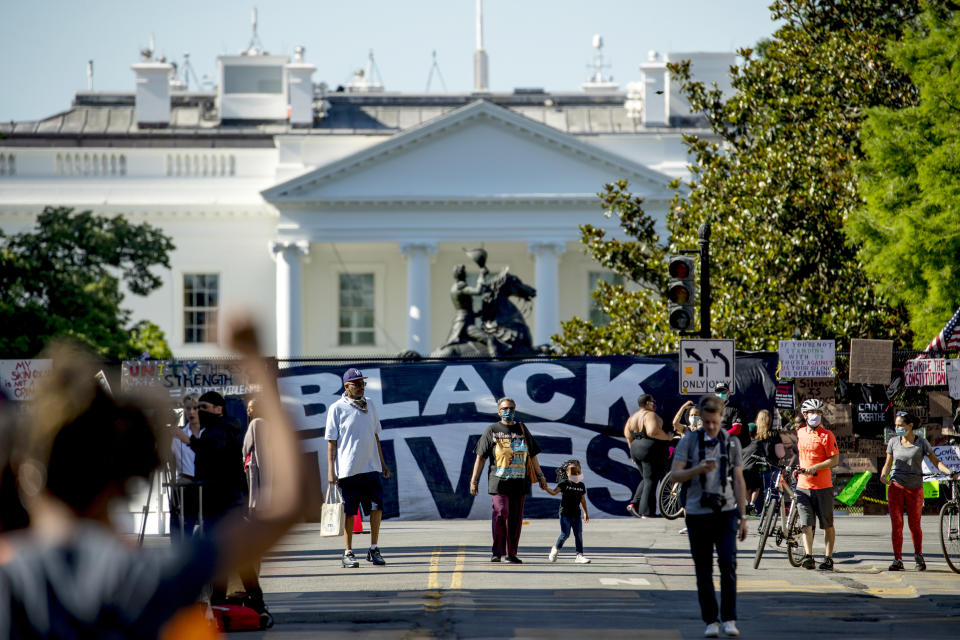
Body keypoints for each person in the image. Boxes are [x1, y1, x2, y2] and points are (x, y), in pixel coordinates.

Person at [0, 314, 304, 637]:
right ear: (128, 477)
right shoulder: (151, 577)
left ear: (24, 471)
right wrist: (254, 361)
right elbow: (291, 503)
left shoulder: (10, 580)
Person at [670, 395, 748, 638]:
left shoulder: (730, 443)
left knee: (728, 564)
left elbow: (738, 479)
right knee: (703, 569)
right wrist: (698, 469)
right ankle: (710, 620)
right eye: (707, 422)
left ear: (721, 418)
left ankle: (729, 618)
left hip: (725, 512)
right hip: (696, 512)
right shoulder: (689, 441)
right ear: (701, 419)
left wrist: (743, 516)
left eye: (715, 422)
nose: (711, 427)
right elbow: (675, 475)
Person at [470, 397, 549, 563]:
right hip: (498, 482)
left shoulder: (521, 429)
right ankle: (497, 551)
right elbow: (481, 458)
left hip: (519, 482)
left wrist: (541, 476)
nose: (508, 411)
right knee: (500, 512)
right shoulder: (492, 430)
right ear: (499, 411)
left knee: (515, 519)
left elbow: (532, 455)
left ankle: (511, 553)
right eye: (505, 408)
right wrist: (474, 480)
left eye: (511, 408)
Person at [326, 367, 391, 569]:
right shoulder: (337, 408)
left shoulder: (370, 404)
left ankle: (373, 548)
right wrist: (331, 470)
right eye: (357, 384)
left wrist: (383, 463)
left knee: (376, 508)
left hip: (371, 467)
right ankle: (348, 552)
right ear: (347, 386)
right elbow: (331, 442)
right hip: (348, 469)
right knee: (349, 512)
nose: (361, 387)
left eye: (363, 383)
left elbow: (375, 435)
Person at [880, 410, 958, 571]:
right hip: (896, 486)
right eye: (896, 425)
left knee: (914, 524)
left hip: (915, 488)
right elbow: (888, 463)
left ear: (910, 425)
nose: (897, 428)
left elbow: (936, 462)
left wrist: (949, 471)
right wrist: (883, 475)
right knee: (897, 524)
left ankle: (918, 556)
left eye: (900, 425)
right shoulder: (893, 442)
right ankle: (897, 559)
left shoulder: (921, 443)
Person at [795, 398, 839, 571]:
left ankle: (828, 558)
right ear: (805, 415)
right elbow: (800, 455)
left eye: (819, 412)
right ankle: (808, 555)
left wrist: (815, 467)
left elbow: (834, 459)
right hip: (803, 486)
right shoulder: (800, 433)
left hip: (823, 486)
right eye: (812, 412)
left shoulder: (827, 435)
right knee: (806, 524)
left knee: (827, 524)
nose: (816, 416)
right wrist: (798, 468)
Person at [624, 394, 672, 519]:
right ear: (647, 403)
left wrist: (633, 453)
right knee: (651, 480)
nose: (654, 403)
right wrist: (668, 437)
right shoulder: (650, 415)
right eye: (652, 401)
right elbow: (652, 432)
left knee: (647, 478)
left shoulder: (632, 417)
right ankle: (646, 512)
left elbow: (628, 436)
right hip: (650, 448)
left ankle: (634, 504)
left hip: (635, 448)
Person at [545, 459, 591, 564]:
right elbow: (553, 492)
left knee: (578, 534)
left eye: (578, 472)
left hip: (576, 514)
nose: (576, 474)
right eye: (574, 473)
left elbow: (582, 500)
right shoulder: (564, 483)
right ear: (567, 473)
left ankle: (579, 555)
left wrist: (585, 513)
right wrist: (546, 488)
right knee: (565, 534)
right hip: (565, 514)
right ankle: (555, 549)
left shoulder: (581, 485)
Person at [741, 410, 785, 514]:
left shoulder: (752, 435)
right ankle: (771, 514)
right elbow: (780, 454)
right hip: (771, 467)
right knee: (772, 492)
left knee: (754, 491)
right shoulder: (774, 435)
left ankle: (756, 512)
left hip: (754, 468)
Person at [169, 394, 200, 539]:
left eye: (195, 408)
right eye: (188, 408)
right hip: (186, 482)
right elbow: (171, 460)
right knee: (183, 523)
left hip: (204, 483)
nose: (192, 412)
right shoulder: (178, 435)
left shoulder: (209, 433)